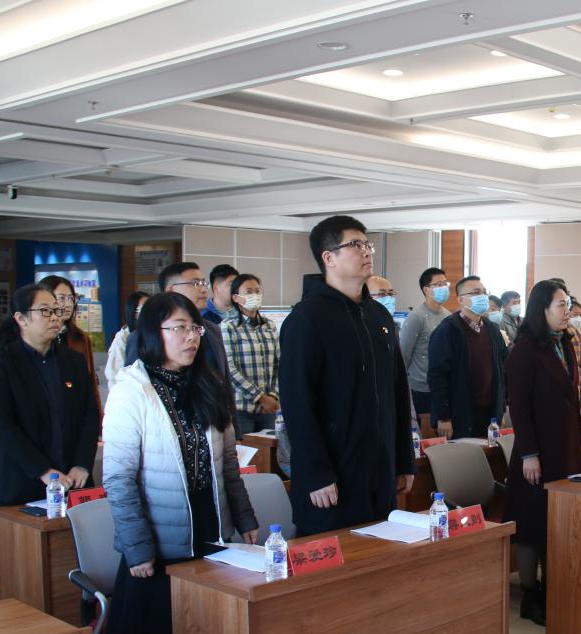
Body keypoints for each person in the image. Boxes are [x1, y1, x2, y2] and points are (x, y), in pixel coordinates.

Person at [102, 291, 258, 634]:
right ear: (154, 334)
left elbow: (229, 466)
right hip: (159, 543)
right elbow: (118, 478)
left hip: (211, 535)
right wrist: (137, 549)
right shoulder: (132, 389)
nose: (191, 337)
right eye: (178, 328)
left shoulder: (208, 383)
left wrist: (246, 520)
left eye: (193, 328)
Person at [278, 215, 414, 535]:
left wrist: (403, 460)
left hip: (379, 469)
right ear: (329, 257)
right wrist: (316, 473)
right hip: (331, 477)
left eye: (367, 244)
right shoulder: (306, 318)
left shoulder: (378, 316)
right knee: (337, 560)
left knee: (381, 554)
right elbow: (297, 404)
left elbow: (397, 391)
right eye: (355, 245)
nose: (366, 251)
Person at [505, 280, 581, 626]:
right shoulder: (524, 350)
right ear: (542, 309)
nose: (567, 311)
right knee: (531, 527)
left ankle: (554, 588)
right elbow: (519, 407)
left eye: (568, 304)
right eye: (561, 305)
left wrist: (579, 442)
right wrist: (528, 454)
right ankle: (530, 595)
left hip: (564, 447)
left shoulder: (564, 343)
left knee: (557, 523)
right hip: (536, 452)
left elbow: (573, 398)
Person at [0, 284, 99, 505]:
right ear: (21, 319)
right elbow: (2, 425)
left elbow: (89, 416)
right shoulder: (3, 361)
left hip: (73, 480)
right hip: (22, 481)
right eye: (45, 311)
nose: (55, 317)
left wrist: (82, 464)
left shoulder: (73, 360)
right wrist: (43, 470)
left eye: (56, 310)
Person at [427, 275, 508, 440]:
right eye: (476, 293)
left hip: (490, 415)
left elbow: (503, 369)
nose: (483, 297)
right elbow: (437, 376)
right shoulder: (448, 330)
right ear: (461, 300)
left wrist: (501, 409)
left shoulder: (493, 330)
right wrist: (443, 416)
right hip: (459, 415)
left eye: (484, 292)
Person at [126, 263, 229, 383]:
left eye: (204, 284)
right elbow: (135, 381)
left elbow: (224, 377)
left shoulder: (213, 329)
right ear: (171, 290)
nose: (204, 290)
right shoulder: (144, 335)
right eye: (195, 283)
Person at [221, 273, 280, 433]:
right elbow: (229, 368)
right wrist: (260, 397)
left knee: (268, 448)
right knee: (245, 448)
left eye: (257, 291)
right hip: (242, 409)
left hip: (268, 409)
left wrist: (273, 396)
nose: (254, 295)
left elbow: (279, 364)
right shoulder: (228, 326)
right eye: (248, 292)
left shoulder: (270, 325)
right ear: (236, 297)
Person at [38, 275, 102, 413]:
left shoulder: (80, 338)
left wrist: (98, 418)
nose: (68, 304)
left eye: (71, 298)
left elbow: (91, 383)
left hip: (76, 412)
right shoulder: (36, 338)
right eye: (61, 298)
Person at [399, 267, 452, 418]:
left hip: (443, 386)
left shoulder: (448, 316)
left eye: (445, 284)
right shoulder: (416, 317)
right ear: (426, 290)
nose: (444, 288)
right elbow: (404, 355)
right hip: (421, 388)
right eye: (439, 284)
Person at [105, 291, 148, 390]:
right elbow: (114, 374)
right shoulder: (123, 337)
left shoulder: (155, 334)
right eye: (144, 308)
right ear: (134, 314)